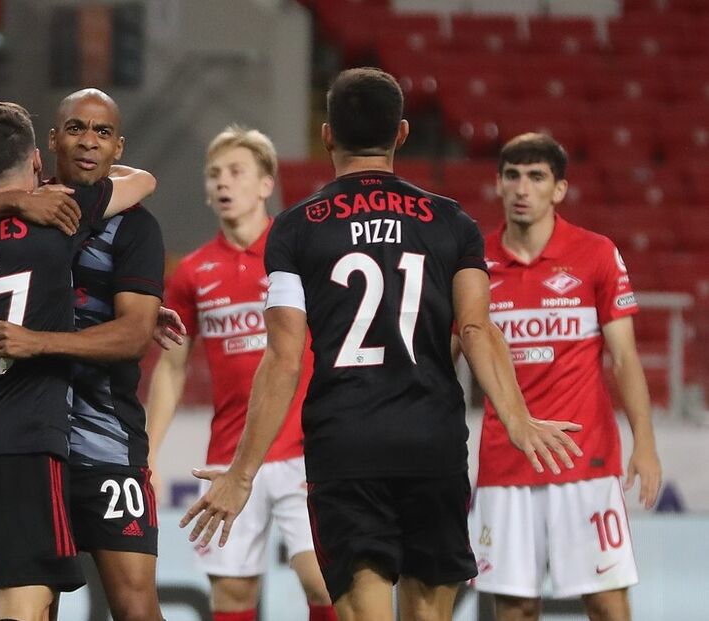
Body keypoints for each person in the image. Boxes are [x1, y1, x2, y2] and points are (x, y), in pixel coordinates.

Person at [179, 68, 583, 621]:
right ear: (401, 133)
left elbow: (284, 357)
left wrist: (241, 473)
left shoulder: (295, 229)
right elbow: (476, 329)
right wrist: (517, 417)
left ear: (327, 136)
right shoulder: (453, 223)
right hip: (432, 444)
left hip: (345, 448)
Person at [0, 89, 170, 621]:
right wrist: (19, 201)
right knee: (32, 599)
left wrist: (115, 312)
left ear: (117, 146)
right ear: (45, 146)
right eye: (76, 129)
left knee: (134, 604)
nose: (88, 142)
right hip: (33, 435)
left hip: (101, 435)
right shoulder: (43, 210)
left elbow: (132, 336)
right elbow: (144, 178)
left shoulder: (133, 225)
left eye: (102, 133)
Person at [463, 133, 662, 621]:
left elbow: (625, 358)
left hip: (584, 460)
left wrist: (645, 444)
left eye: (536, 177)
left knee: (607, 603)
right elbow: (446, 354)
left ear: (559, 189)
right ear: (497, 183)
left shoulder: (595, 253)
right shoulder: (474, 263)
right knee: (515, 609)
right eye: (512, 176)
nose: (522, 189)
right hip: (505, 461)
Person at [145, 125, 336, 621]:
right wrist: (148, 453)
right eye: (214, 174)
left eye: (236, 171)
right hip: (228, 457)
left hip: (304, 451)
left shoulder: (299, 255)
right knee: (231, 596)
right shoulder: (193, 271)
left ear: (266, 184)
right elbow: (172, 367)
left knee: (324, 583)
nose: (223, 182)